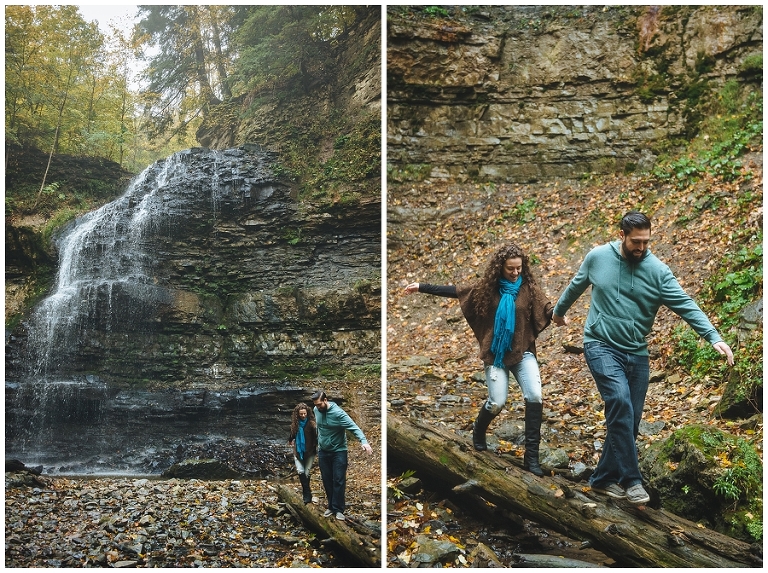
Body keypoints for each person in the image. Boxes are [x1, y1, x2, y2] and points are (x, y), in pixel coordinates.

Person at [552, 211, 734, 504]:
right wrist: (559, 312)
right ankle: (632, 481)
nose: (641, 247)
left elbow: (686, 305)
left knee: (630, 420)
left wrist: (714, 337)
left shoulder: (658, 271)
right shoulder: (598, 257)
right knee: (620, 403)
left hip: (637, 352)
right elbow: (577, 283)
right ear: (622, 235)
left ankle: (600, 479)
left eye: (646, 241)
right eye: (636, 241)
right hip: (600, 344)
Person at [404, 243, 558, 476]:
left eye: (519, 268)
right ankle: (478, 430)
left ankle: (532, 458)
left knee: (535, 395)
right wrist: (421, 287)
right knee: (497, 402)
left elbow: (547, 308)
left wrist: (558, 315)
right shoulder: (488, 289)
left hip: (522, 352)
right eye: (510, 269)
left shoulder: (529, 288)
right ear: (499, 268)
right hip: (495, 354)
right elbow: (457, 291)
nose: (516, 273)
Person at [311, 390, 373, 521]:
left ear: (326, 400)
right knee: (327, 479)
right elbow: (319, 428)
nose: (318, 407)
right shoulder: (316, 410)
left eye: (320, 404)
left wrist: (364, 442)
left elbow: (353, 427)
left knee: (338, 479)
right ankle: (331, 507)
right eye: (316, 405)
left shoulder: (338, 413)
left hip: (339, 451)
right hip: (323, 451)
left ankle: (338, 509)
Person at [288, 402, 317, 504]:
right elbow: (292, 434)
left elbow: (317, 437)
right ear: (298, 414)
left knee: (307, 472)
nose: (303, 416)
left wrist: (316, 447)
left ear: (307, 413)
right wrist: (290, 440)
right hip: (298, 451)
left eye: (305, 413)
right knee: (300, 471)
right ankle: (307, 494)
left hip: (309, 452)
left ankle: (307, 494)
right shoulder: (295, 424)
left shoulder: (312, 424)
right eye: (301, 414)